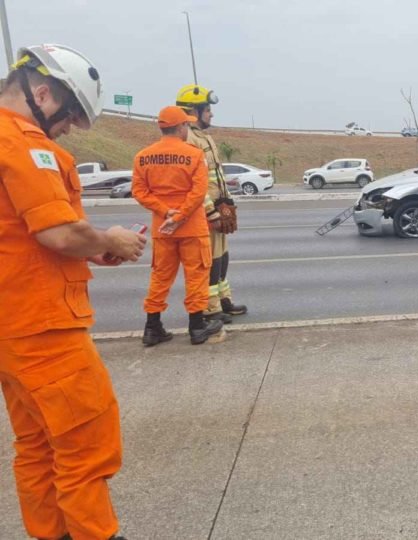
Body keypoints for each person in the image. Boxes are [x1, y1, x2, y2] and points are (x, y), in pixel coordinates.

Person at [0, 43, 145, 540]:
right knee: (86, 443)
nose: (68, 130)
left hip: (10, 330)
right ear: (41, 93)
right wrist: (109, 240)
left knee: (37, 446)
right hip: (42, 328)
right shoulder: (21, 142)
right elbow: (58, 233)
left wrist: (92, 249)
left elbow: (21, 232)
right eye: (69, 118)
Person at [132, 106, 226, 346]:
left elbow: (139, 192)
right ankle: (196, 327)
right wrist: (181, 216)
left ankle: (152, 327)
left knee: (160, 277)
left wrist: (166, 213)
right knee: (196, 275)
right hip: (192, 227)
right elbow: (198, 193)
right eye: (186, 125)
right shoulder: (194, 155)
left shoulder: (143, 156)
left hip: (162, 229)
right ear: (182, 126)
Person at [175, 84, 247, 325]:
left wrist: (226, 199)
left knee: (222, 256)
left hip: (218, 206)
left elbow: (214, 175)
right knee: (211, 260)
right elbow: (194, 182)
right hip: (205, 212)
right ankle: (210, 308)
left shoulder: (205, 137)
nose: (211, 114)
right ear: (193, 111)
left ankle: (223, 300)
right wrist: (210, 210)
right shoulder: (188, 139)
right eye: (207, 110)